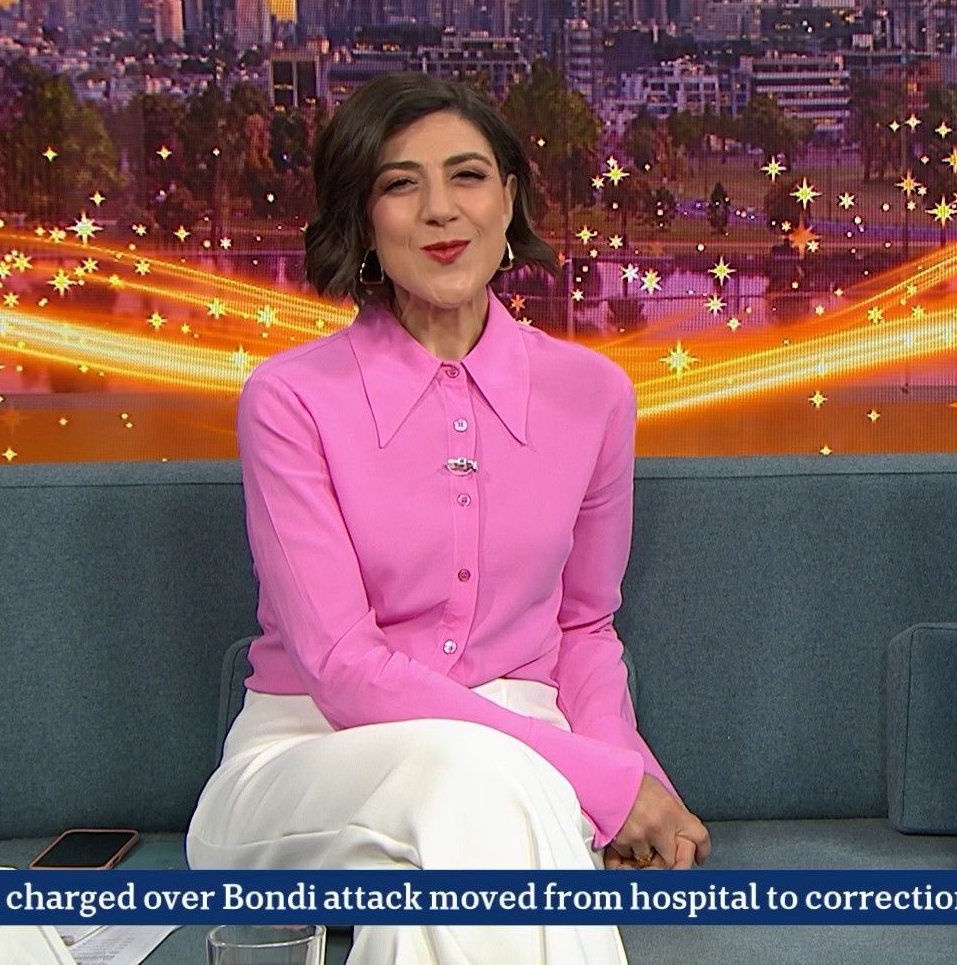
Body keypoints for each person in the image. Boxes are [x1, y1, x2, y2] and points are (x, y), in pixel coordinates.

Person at [187, 72, 710, 965]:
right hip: (312, 762)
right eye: (400, 184)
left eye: (466, 176)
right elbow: (344, 670)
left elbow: (584, 628)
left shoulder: (593, 396)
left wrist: (632, 777)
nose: (440, 209)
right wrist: (601, 785)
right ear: (364, 218)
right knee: (477, 782)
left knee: (460, 845)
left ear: (508, 198)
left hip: (521, 765)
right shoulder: (289, 401)